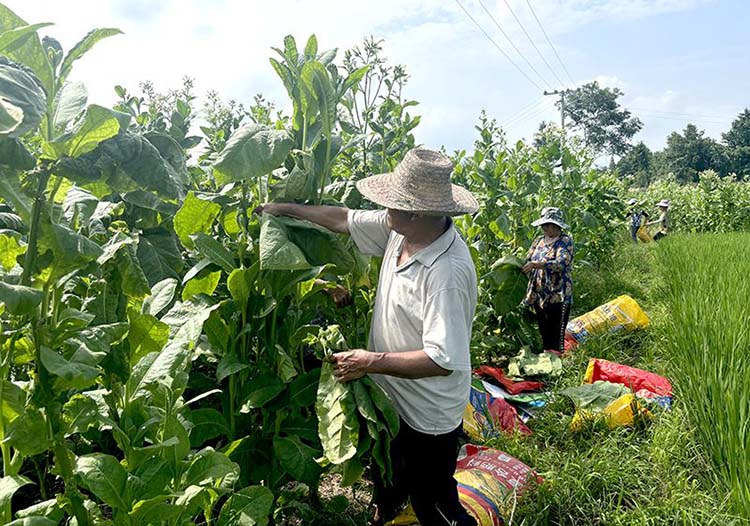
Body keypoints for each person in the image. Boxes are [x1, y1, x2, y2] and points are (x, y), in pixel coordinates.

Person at [255, 148, 479, 526]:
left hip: (428, 415)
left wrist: (369, 361)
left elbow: (441, 361)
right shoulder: (401, 230)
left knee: (433, 503)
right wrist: (285, 208)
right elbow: (342, 219)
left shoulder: (447, 272)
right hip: (389, 397)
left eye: (390, 203)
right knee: (387, 474)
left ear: (415, 212)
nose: (382, 209)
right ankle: (386, 509)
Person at [522, 207, 574, 354]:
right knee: (543, 326)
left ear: (556, 226)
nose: (545, 228)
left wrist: (537, 265)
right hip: (539, 292)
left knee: (556, 328)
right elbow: (528, 258)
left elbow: (562, 263)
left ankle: (556, 361)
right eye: (543, 225)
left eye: (548, 225)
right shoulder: (538, 241)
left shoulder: (565, 241)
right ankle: (547, 357)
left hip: (558, 292)